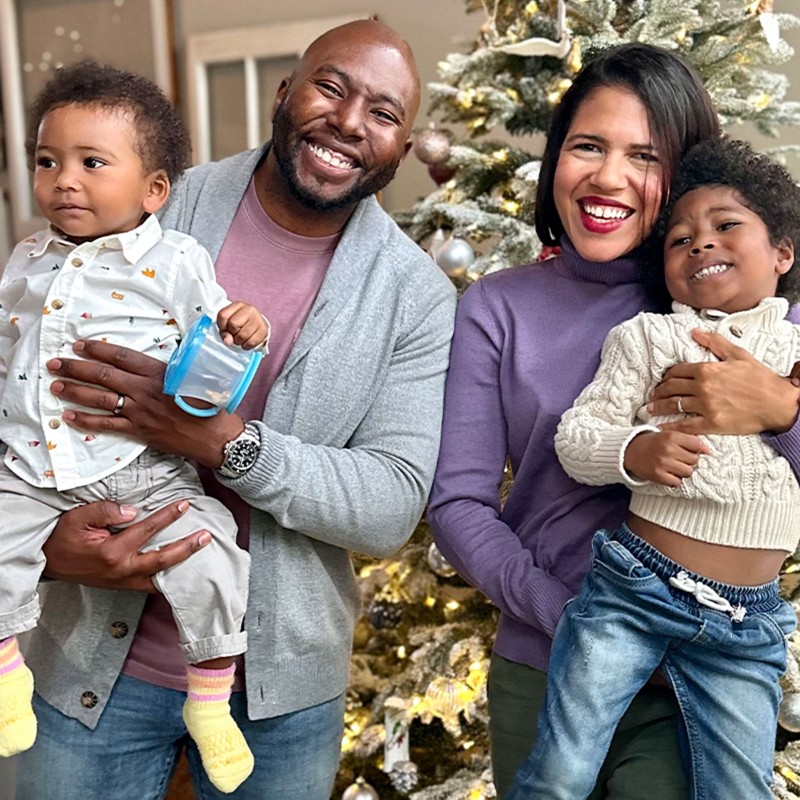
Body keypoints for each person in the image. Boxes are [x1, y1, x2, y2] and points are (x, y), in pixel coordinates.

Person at [13, 19, 456, 800]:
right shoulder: (156, 197)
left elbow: (390, 504)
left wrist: (222, 442)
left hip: (276, 698)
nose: (351, 122)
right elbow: (19, 374)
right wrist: (47, 545)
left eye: (384, 114)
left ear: (404, 146)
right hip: (85, 662)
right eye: (331, 87)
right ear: (287, 93)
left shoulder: (413, 296)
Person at [427, 43, 800, 800]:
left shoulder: (733, 299)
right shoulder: (497, 309)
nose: (608, 177)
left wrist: (783, 410)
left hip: (695, 670)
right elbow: (458, 503)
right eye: (587, 147)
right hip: (546, 659)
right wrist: (563, 612)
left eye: (644, 155)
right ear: (556, 157)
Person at [0, 62, 271, 793]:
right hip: (28, 464)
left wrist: (241, 331)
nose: (64, 180)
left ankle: (210, 702)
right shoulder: (27, 257)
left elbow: (211, 362)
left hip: (140, 470)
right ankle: (4, 676)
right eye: (47, 161)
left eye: (93, 163)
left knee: (216, 557)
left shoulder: (177, 261)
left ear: (154, 190)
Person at [506, 135, 800, 799]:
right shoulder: (647, 337)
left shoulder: (796, 353)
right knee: (560, 770)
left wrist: (782, 407)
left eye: (726, 227)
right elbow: (577, 436)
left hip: (746, 622)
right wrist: (634, 450)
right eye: (679, 240)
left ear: (782, 252)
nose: (700, 244)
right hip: (635, 591)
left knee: (740, 790)